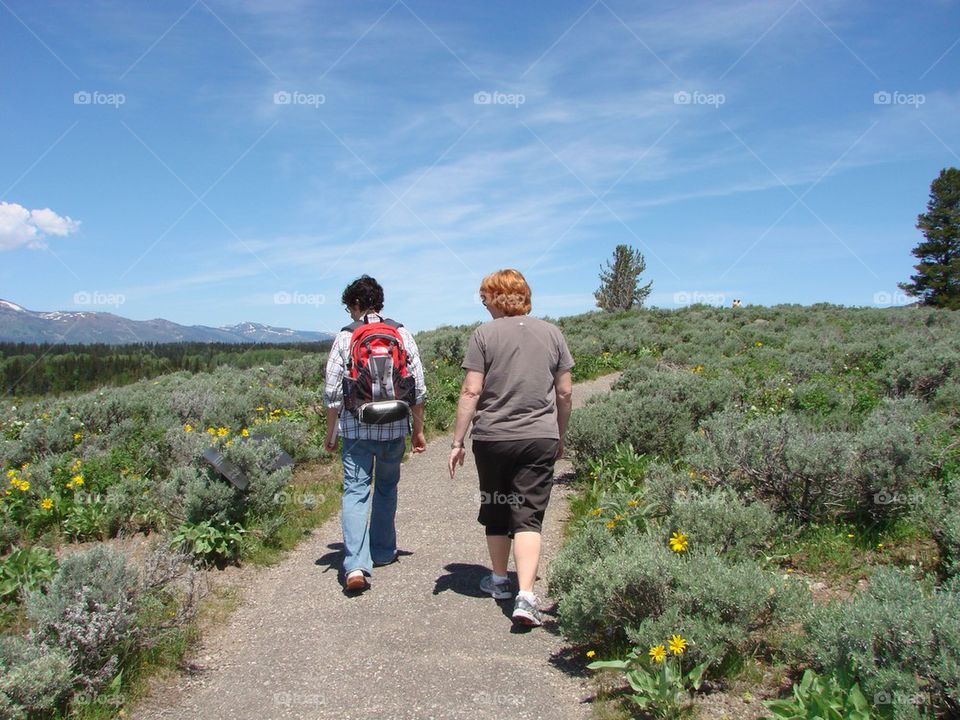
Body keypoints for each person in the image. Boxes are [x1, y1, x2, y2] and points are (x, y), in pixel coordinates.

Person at [447, 269, 574, 626]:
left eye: (485, 296)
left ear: (500, 297)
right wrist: (559, 434)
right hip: (539, 437)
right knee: (528, 515)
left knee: (497, 505)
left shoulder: (483, 335)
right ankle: (527, 597)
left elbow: (471, 391)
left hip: (492, 438)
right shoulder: (553, 333)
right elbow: (564, 392)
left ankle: (500, 581)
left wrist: (457, 441)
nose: (483, 302)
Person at [324, 275, 427, 592]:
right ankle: (383, 552)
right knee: (386, 488)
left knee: (356, 491)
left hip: (357, 428)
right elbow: (419, 389)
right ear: (379, 303)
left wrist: (331, 433)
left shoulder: (345, 338)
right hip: (394, 426)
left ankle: (355, 566)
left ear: (355, 304)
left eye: (349, 307)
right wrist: (418, 431)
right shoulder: (401, 333)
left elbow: (331, 394)